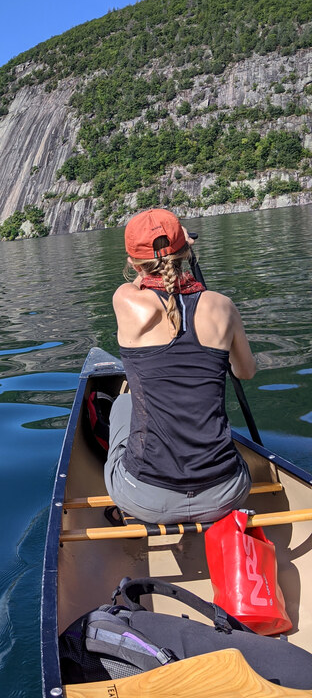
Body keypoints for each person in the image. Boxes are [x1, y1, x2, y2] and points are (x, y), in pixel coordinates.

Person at [104, 208, 257, 525]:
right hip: (226, 492)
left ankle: (126, 504)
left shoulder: (126, 301)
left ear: (133, 262)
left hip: (145, 497)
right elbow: (245, 372)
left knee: (122, 403)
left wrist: (166, 254)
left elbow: (143, 283)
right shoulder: (222, 306)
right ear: (186, 251)